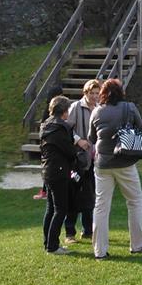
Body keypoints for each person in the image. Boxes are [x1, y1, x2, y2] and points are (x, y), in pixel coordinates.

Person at [87, 78, 142, 259]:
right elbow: (141, 129)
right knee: (135, 201)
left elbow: (91, 138)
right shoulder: (130, 108)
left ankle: (99, 251)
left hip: (102, 163)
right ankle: (137, 244)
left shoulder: (97, 112)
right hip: (125, 162)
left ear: (103, 93)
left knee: (101, 206)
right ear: (121, 92)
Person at [40, 95, 89, 255]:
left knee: (51, 208)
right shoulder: (62, 127)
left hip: (47, 170)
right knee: (61, 209)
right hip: (60, 171)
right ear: (64, 111)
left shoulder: (45, 124)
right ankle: (53, 246)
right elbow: (69, 151)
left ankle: (48, 242)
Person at [62, 79, 100, 243]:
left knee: (90, 196)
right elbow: (67, 128)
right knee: (74, 195)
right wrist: (79, 140)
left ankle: (88, 230)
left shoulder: (99, 108)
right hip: (78, 158)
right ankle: (70, 232)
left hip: (94, 158)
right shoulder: (76, 107)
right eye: (92, 93)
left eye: (97, 93)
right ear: (86, 93)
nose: (94, 96)